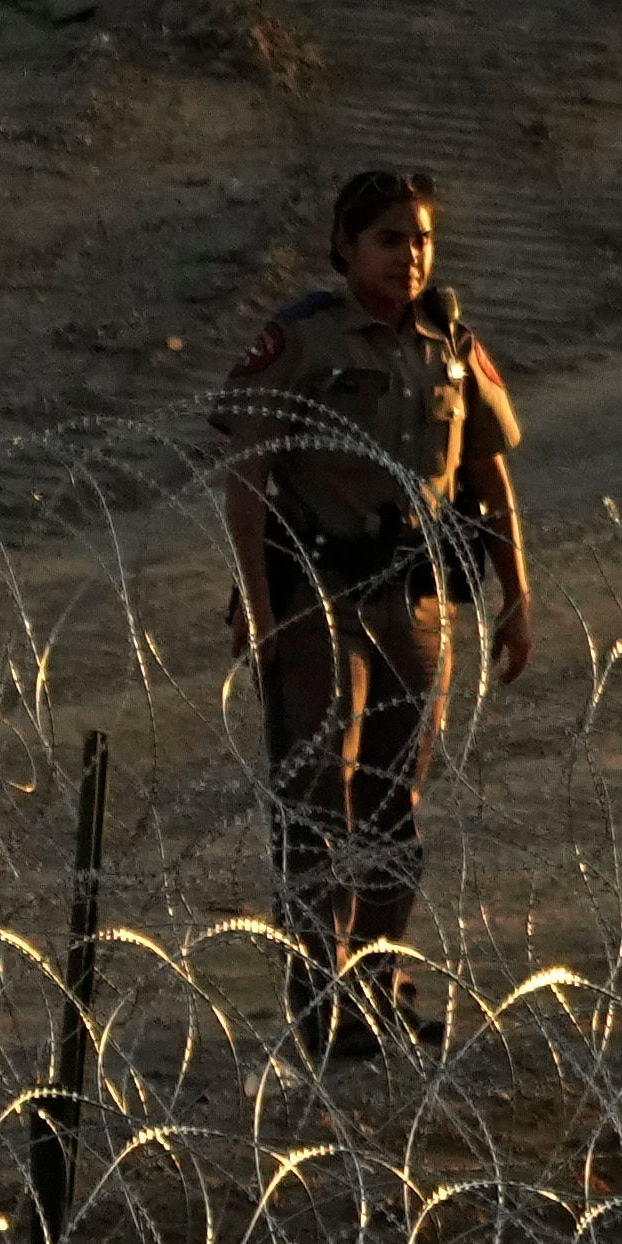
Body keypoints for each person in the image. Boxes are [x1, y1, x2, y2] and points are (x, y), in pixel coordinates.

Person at [214, 167, 532, 1057]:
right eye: (390, 240)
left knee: (398, 808)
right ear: (347, 249)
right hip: (320, 595)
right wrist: (258, 598)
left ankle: (379, 985)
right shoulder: (306, 341)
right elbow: (248, 476)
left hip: (418, 599)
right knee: (322, 799)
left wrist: (519, 593)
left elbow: (487, 472)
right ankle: (324, 1003)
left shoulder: (451, 344)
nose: (410, 256)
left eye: (422, 239)